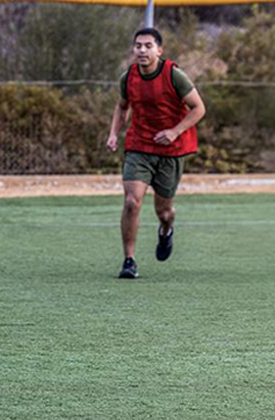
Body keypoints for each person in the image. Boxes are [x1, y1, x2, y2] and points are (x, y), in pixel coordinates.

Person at [105, 28, 205, 279]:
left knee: (164, 211)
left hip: (171, 150)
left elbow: (198, 108)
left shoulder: (174, 75)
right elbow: (122, 106)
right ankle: (129, 260)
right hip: (139, 146)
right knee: (131, 201)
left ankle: (166, 230)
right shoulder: (128, 77)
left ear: (159, 50)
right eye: (138, 46)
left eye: (148, 46)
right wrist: (114, 133)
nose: (142, 50)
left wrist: (174, 131)